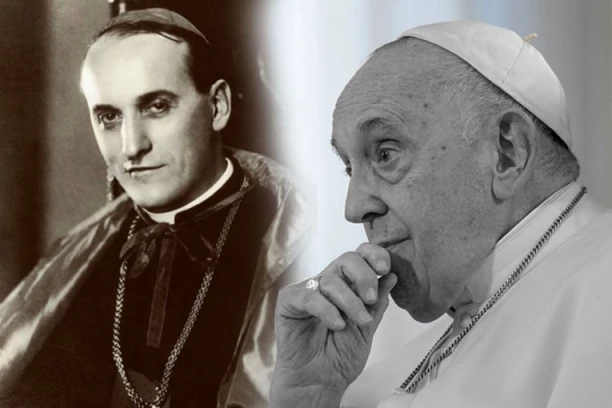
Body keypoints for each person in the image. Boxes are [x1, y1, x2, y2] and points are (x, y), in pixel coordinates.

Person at [270, 20, 612, 408]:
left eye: (385, 153)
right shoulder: (368, 376)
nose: (354, 208)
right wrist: (309, 398)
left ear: (507, 153)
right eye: (350, 167)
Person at [0, 8, 312, 408]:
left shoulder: (294, 238)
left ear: (217, 106)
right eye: (109, 117)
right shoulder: (82, 250)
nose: (131, 146)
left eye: (156, 106)